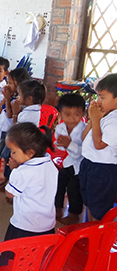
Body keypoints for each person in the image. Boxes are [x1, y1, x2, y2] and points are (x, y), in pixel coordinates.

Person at [4, 123, 57, 239]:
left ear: (30, 153)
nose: (11, 155)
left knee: (15, 256)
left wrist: (14, 171)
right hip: (47, 226)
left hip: (24, 227)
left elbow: (10, 194)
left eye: (14, 152)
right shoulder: (50, 164)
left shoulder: (22, 172)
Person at [80, 73, 117, 221]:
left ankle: (97, 237)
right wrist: (92, 120)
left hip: (104, 169)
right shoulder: (105, 115)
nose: (97, 101)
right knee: (89, 201)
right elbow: (84, 138)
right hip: (90, 163)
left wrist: (95, 120)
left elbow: (99, 145)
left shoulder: (114, 120)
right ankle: (90, 230)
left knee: (98, 207)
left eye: (102, 97)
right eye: (97, 96)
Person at [0, 68, 31, 188]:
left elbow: (10, 114)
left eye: (10, 83)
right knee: (5, 157)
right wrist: (6, 98)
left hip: (12, 132)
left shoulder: (19, 100)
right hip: (5, 130)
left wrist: (7, 99)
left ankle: (11, 180)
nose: (8, 85)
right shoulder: (12, 96)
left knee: (11, 157)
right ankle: (6, 178)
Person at [54, 93, 86, 224]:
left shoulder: (85, 130)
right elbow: (60, 148)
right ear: (60, 114)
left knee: (74, 188)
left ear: (83, 114)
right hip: (68, 163)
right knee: (59, 184)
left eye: (76, 114)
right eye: (67, 114)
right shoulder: (60, 127)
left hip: (80, 165)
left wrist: (69, 144)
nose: (72, 118)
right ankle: (57, 208)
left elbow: (83, 152)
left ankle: (74, 214)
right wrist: (62, 144)